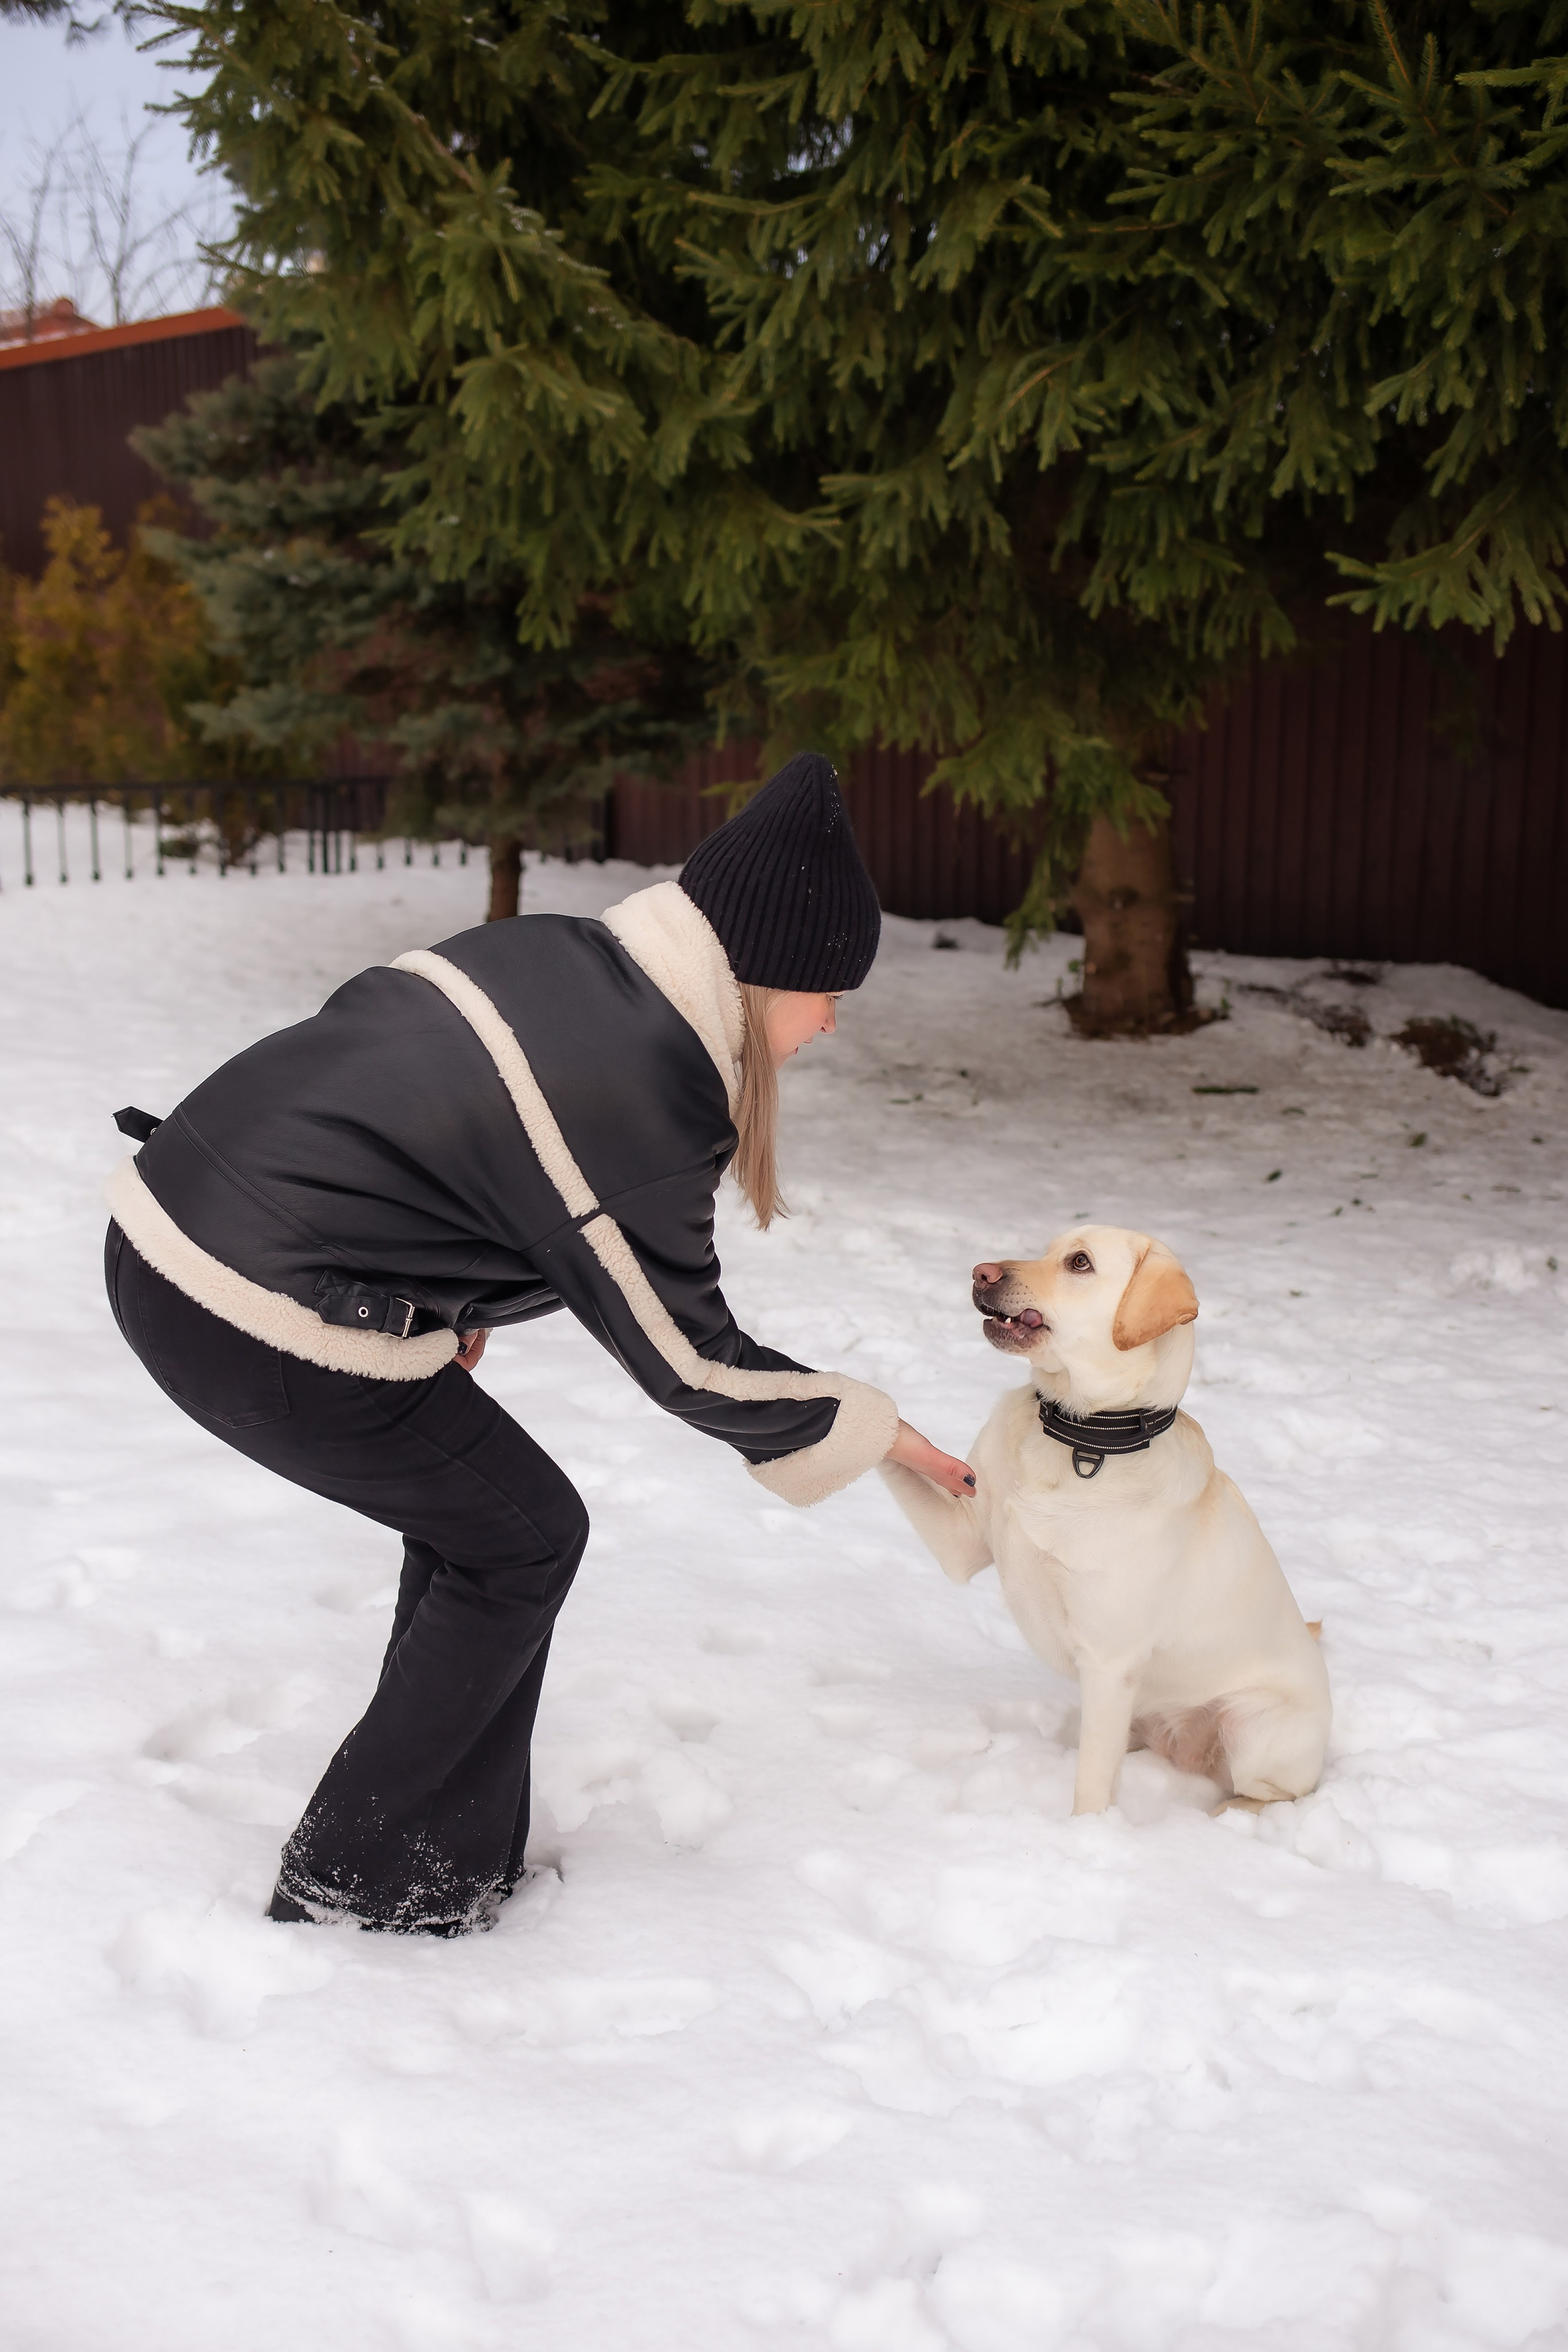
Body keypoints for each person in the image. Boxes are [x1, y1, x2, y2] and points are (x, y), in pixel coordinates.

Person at [103, 752, 975, 1936]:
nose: (828, 1023)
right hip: (241, 1306)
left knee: (482, 1522)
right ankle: (365, 1883)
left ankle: (439, 1862)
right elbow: (684, 1356)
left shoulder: (564, 956)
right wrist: (877, 1432)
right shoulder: (646, 1086)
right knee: (522, 1537)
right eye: (828, 993)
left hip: (179, 1220)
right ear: (762, 974)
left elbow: (423, 1123)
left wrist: (437, 1303)